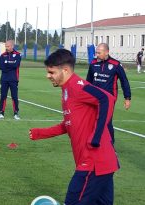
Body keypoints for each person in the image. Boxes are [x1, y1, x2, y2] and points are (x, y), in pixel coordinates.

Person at [30, 49, 119, 205]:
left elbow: (106, 99)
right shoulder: (66, 90)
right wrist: (40, 133)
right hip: (102, 163)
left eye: (51, 72)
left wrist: (96, 137)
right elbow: (69, 124)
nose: (48, 76)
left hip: (93, 162)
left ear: (65, 70)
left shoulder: (77, 86)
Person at [86, 43, 131, 143]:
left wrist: (127, 98)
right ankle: (96, 141)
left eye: (99, 52)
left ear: (106, 52)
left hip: (109, 98)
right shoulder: (93, 63)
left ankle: (110, 144)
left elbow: (124, 81)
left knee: (106, 121)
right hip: (94, 97)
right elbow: (88, 81)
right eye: (96, 52)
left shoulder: (116, 64)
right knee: (93, 119)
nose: (96, 55)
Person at [0, 40, 22, 120]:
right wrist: (10, 64)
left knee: (14, 96)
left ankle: (16, 113)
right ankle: (1, 113)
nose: (6, 48)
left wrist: (7, 64)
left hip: (14, 79)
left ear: (12, 46)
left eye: (8, 46)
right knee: (3, 96)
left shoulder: (18, 55)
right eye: (6, 46)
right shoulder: (3, 55)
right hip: (4, 79)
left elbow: (16, 65)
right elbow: (1, 66)